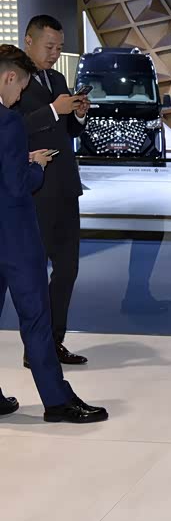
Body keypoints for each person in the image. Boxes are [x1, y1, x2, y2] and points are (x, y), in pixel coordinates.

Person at [0, 44, 107, 423]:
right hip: (15, 234)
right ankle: (57, 401)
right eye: (19, 87)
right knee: (36, 319)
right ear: (9, 77)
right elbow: (17, 185)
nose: (18, 97)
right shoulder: (8, 121)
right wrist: (36, 167)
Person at [17, 15, 90, 367]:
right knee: (33, 273)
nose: (54, 54)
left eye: (59, 48)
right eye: (49, 47)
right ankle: (35, 348)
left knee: (67, 269)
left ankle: (53, 342)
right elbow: (12, 129)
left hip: (64, 187)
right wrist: (52, 109)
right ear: (28, 41)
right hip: (34, 189)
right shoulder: (12, 80)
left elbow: (66, 133)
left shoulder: (58, 79)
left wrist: (78, 115)